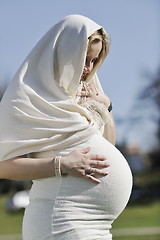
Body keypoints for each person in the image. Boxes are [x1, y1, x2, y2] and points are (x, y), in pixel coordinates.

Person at [0, 15, 132, 240]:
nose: (88, 69)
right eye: (84, 59)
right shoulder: (27, 98)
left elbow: (108, 146)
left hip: (97, 224)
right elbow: (3, 166)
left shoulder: (83, 95)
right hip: (62, 221)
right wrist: (61, 165)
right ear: (65, 53)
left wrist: (106, 107)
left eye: (94, 61)